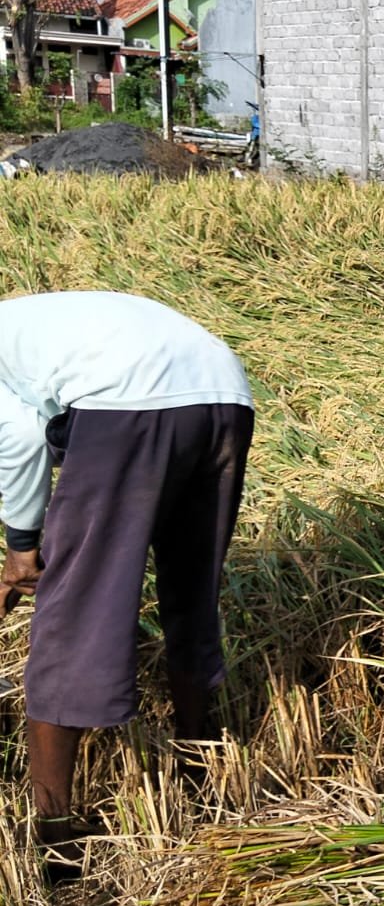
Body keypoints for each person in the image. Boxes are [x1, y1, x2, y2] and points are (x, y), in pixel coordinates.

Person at [0, 291, 254, 856]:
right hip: (226, 395)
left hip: (127, 402)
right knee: (191, 593)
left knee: (74, 613)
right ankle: (198, 779)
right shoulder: (29, 321)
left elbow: (19, 440)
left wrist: (20, 549)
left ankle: (55, 835)